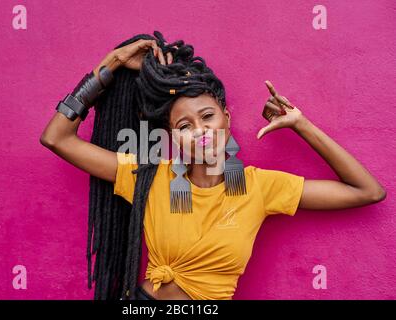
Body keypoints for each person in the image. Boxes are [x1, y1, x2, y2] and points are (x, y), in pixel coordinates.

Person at [39, 31, 386, 300]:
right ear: (173, 136)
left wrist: (302, 125)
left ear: (227, 119)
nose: (200, 131)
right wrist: (113, 61)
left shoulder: (258, 187)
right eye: (185, 126)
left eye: (207, 116)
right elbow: (57, 138)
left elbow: (367, 191)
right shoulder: (149, 178)